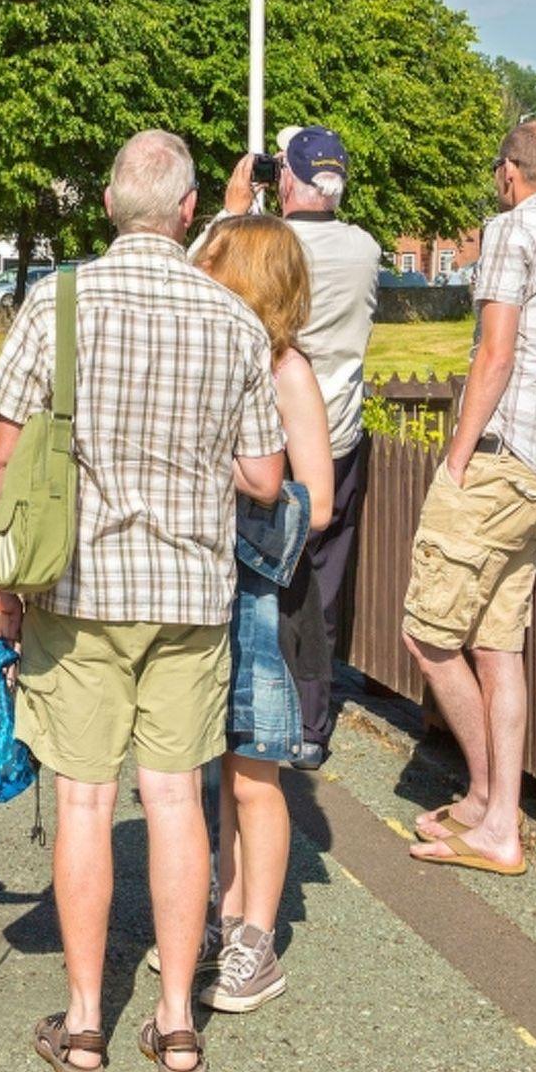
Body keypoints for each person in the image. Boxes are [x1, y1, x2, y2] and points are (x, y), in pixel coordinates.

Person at [0, 130, 286, 1072]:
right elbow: (268, 480)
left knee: (84, 800)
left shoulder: (55, 302)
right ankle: (178, 1025)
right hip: (192, 597)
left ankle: (81, 1028)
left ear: (110, 205)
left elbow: (2, 459)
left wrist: (0, 586)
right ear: (191, 211)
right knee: (174, 801)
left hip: (79, 588)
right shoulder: (234, 321)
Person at [404, 119, 536, 875]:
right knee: (496, 645)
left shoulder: (513, 228)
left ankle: (494, 810)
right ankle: (494, 816)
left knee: (426, 634)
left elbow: (496, 350)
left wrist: (456, 458)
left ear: (511, 172)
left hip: (498, 455)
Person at [189, 216, 334, 1013]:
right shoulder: (225, 359)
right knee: (221, 768)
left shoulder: (286, 371)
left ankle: (256, 938)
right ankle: (223, 911)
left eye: (215, 262)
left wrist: (241, 490)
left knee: (256, 774)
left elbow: (316, 500)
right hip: (213, 583)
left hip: (262, 595)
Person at [215, 125, 379, 767]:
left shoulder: (261, 243)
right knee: (321, 586)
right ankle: (310, 725)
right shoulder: (365, 249)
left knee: (251, 580)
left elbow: (210, 272)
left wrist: (238, 197)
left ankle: (245, 711)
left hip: (264, 433)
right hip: (335, 432)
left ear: (287, 178)